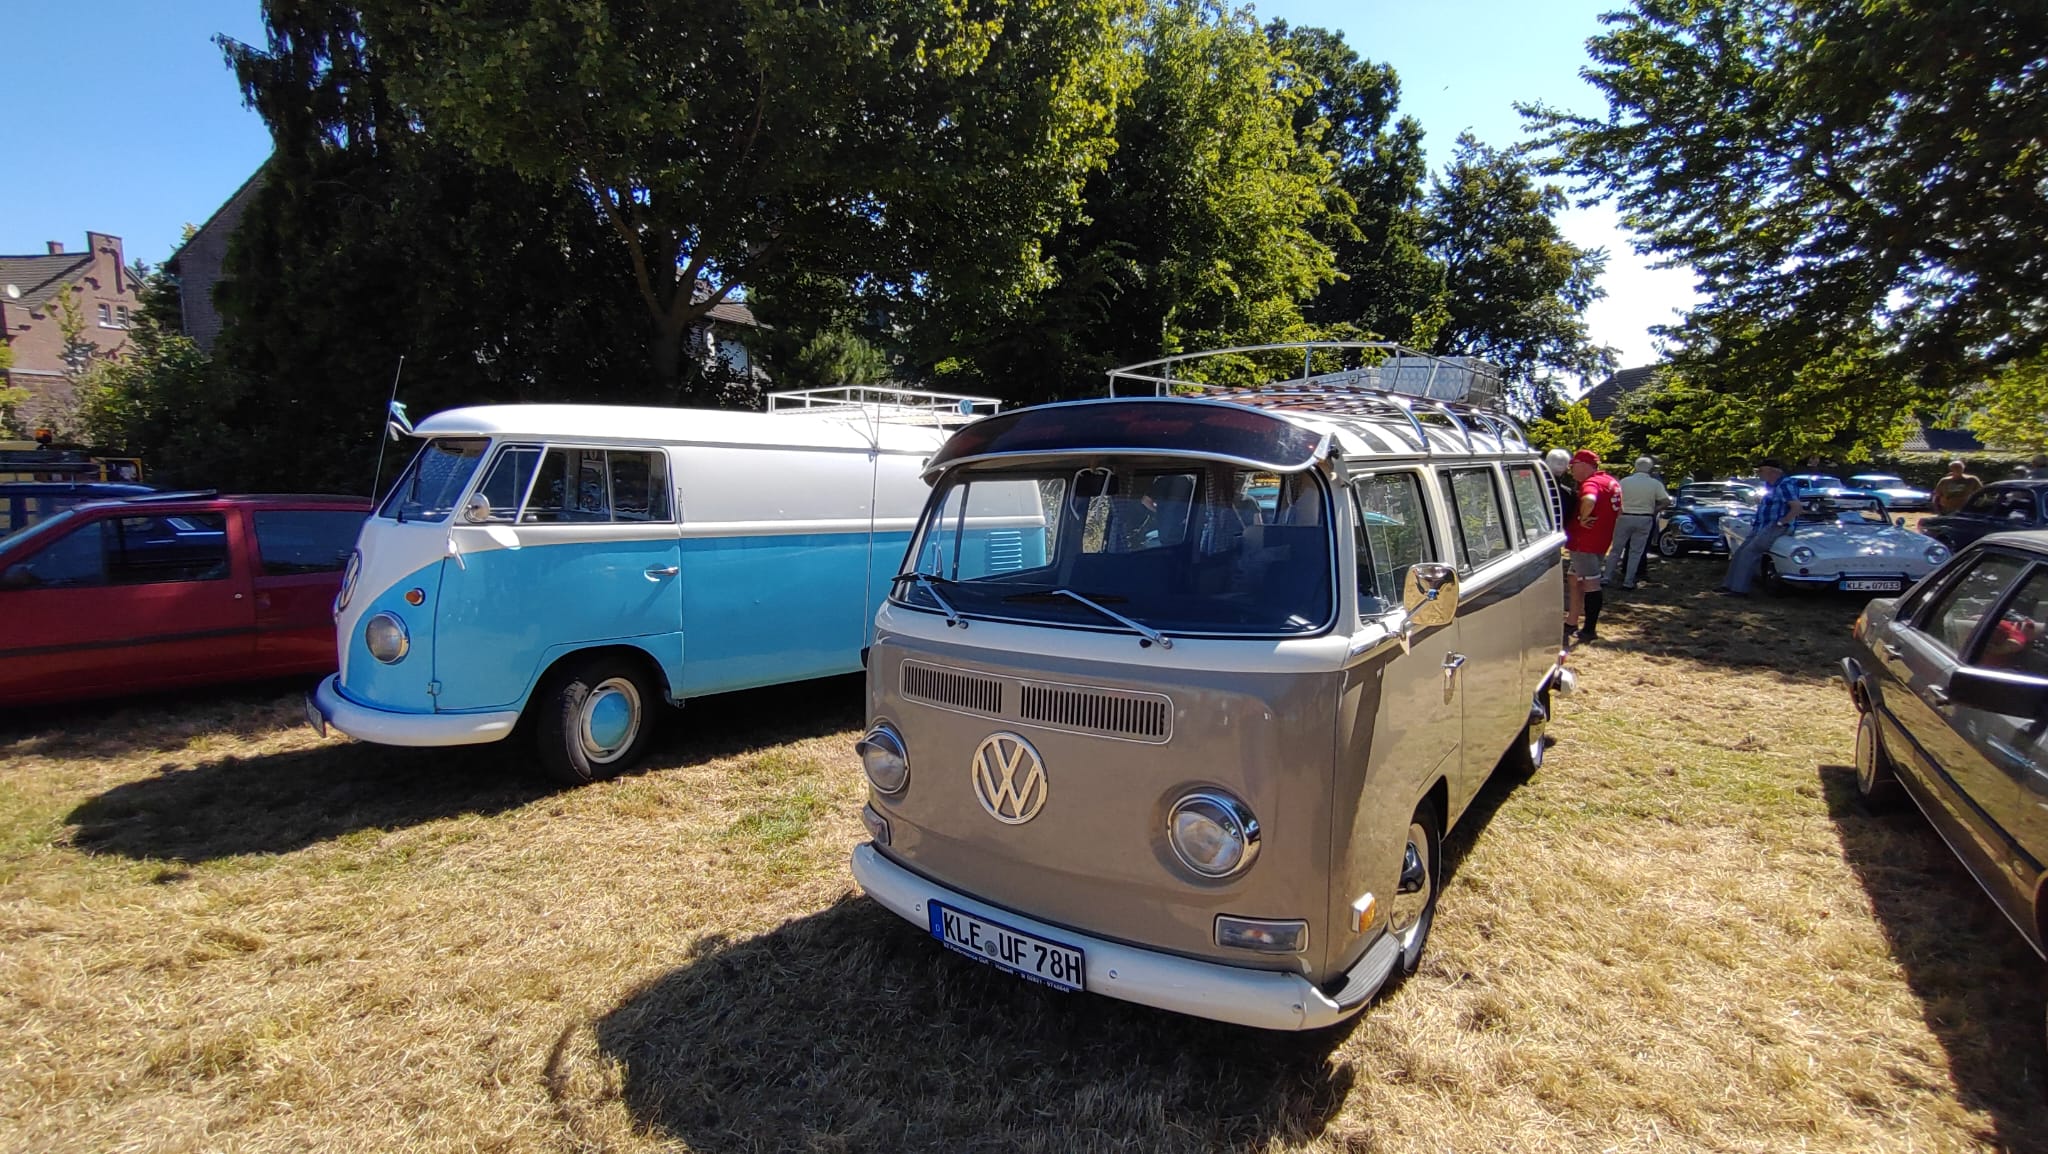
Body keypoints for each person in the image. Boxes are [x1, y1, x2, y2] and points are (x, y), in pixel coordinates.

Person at [1563, 449, 1622, 645]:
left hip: (1585, 543)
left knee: (1591, 583)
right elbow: (1619, 510)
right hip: (1600, 540)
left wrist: (1583, 517)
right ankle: (1571, 621)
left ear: (1584, 465)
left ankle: (1589, 629)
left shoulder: (1591, 483)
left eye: (1574, 466)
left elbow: (1589, 499)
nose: (1571, 470)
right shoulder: (1611, 482)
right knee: (1574, 578)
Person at [1723, 458, 1803, 596]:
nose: (1758, 473)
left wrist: (1782, 522)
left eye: (1761, 470)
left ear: (1773, 471)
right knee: (1740, 552)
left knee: (1749, 553)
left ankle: (1739, 589)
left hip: (1775, 527)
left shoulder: (1785, 484)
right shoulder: (1769, 486)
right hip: (1761, 526)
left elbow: (1797, 507)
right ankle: (1728, 586)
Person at [1607, 456, 1671, 590]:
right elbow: (1666, 501)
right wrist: (1655, 510)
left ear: (1635, 467)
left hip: (1625, 516)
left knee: (1616, 549)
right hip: (1644, 518)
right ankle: (1628, 581)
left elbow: (1615, 497)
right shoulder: (1655, 484)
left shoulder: (1624, 482)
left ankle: (1607, 577)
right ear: (1650, 468)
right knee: (1636, 552)